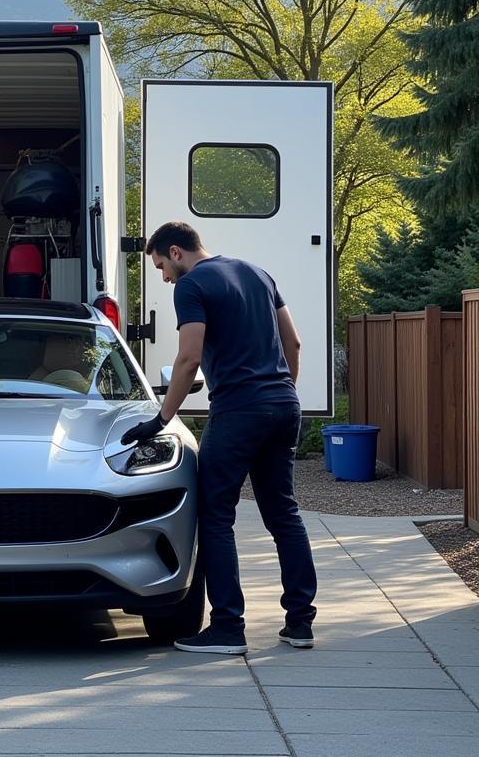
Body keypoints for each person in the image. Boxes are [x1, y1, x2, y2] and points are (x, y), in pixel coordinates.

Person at [122, 221, 317, 655]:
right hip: (284, 406)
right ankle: (300, 623)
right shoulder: (258, 273)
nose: (164, 277)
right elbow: (295, 343)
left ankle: (228, 627)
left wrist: (160, 419)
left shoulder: (191, 286)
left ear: (176, 252)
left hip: (237, 411)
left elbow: (189, 356)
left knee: (215, 515)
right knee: (284, 514)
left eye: (160, 266)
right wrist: (282, 391)